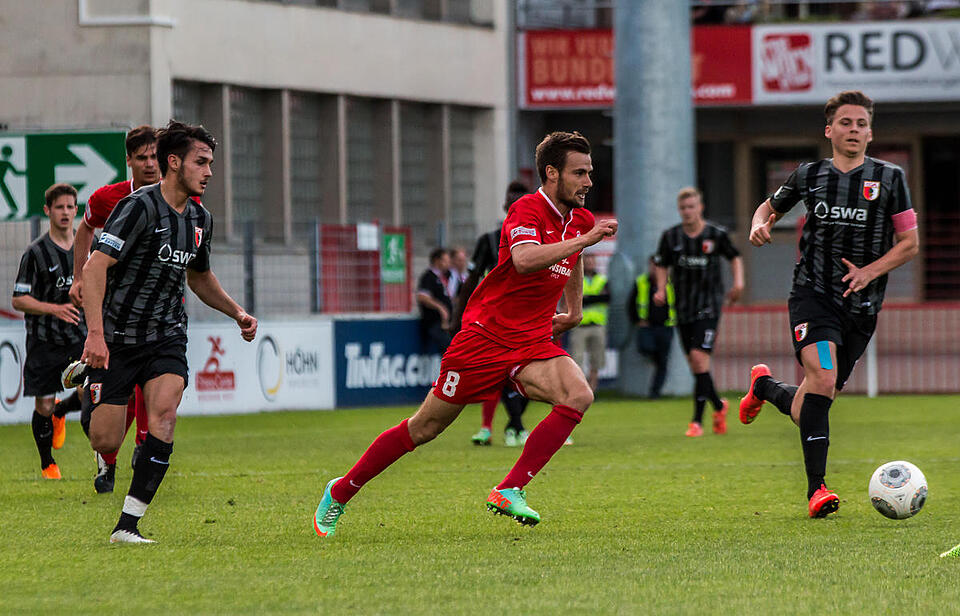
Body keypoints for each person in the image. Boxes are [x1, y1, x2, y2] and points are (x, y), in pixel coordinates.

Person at [314, 131, 618, 537]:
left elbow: (574, 257)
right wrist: (588, 238)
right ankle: (340, 491)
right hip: (484, 337)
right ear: (551, 173)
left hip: (529, 340)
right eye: (579, 173)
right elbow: (525, 260)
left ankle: (510, 488)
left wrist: (575, 310)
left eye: (589, 172)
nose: (588, 182)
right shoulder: (526, 211)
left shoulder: (579, 219)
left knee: (579, 394)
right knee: (424, 429)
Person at [739, 90, 919, 518]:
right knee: (820, 381)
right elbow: (769, 207)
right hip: (813, 295)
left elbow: (909, 243)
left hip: (863, 306)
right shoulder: (809, 175)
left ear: (870, 132)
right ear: (829, 130)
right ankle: (817, 490)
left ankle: (764, 386)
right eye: (845, 123)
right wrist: (758, 225)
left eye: (861, 124)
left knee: (809, 408)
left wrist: (868, 272)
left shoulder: (890, 179)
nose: (853, 130)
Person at [80, 120, 257, 543]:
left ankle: (128, 525)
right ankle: (86, 380)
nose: (209, 171)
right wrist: (95, 334)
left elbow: (199, 277)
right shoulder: (138, 207)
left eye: (211, 162)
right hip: (117, 338)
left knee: (164, 417)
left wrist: (237, 313)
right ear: (173, 163)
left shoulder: (200, 219)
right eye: (201, 162)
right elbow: (94, 266)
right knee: (102, 436)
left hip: (166, 334)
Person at [67, 125, 160, 494]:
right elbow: (84, 231)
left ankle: (142, 442)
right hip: (113, 307)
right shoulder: (108, 198)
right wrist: (77, 278)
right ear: (129, 161)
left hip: (155, 310)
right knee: (118, 388)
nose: (150, 164)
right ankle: (108, 459)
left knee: (150, 381)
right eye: (142, 158)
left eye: (155, 156)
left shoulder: (181, 199)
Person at [654, 187, 744, 437]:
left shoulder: (716, 235)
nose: (687, 212)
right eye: (683, 208)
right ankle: (718, 405)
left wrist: (738, 283)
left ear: (700, 208)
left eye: (691, 207)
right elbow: (661, 264)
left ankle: (697, 422)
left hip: (709, 306)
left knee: (698, 359)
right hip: (682, 309)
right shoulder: (671, 237)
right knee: (697, 366)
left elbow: (735, 257)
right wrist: (661, 289)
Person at [12, 183, 86, 479]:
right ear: (48, 211)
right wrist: (54, 308)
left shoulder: (86, 249)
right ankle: (47, 463)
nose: (65, 212)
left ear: (76, 210)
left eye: (70, 207)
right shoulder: (35, 252)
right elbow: (18, 299)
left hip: (78, 336)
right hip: (43, 339)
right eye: (59, 207)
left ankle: (61, 411)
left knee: (90, 392)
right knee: (42, 402)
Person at [455, 181, 532, 448]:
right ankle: (495, 427)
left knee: (534, 373)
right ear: (505, 208)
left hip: (534, 316)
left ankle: (517, 423)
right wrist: (458, 317)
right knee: (498, 375)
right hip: (497, 318)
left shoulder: (541, 239)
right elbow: (471, 279)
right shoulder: (489, 240)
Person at [628, 255, 676, 399]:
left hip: (666, 327)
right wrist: (637, 320)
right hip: (647, 326)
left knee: (663, 363)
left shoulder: (671, 283)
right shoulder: (642, 282)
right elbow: (631, 304)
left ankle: (655, 393)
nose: (655, 269)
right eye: (652, 266)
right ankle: (654, 356)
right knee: (646, 348)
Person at [567, 253, 608, 391]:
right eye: (587, 261)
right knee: (577, 359)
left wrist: (585, 298)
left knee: (596, 360)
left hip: (597, 325)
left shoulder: (602, 279)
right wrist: (595, 297)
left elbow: (607, 298)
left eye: (592, 261)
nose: (590, 264)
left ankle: (592, 389)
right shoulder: (576, 278)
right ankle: (579, 389)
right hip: (579, 325)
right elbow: (573, 298)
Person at [416, 248, 454, 353]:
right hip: (434, 323)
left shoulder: (445, 277)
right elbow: (422, 297)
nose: (448, 264)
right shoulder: (428, 277)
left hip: (446, 323)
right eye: (445, 261)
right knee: (448, 347)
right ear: (437, 261)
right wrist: (441, 308)